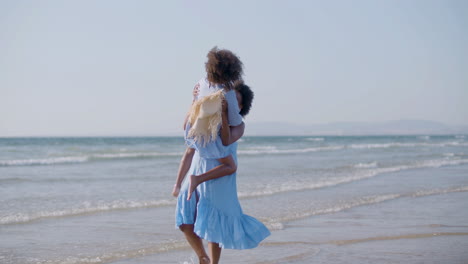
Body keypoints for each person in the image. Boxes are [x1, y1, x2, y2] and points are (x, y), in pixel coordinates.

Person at [173, 48, 270, 264]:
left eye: (237, 100)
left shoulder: (239, 125)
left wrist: (225, 113)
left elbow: (226, 141)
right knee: (185, 222)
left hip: (218, 173)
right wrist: (193, 99)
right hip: (200, 164)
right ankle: (202, 257)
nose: (231, 99)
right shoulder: (210, 95)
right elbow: (189, 143)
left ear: (242, 106)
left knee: (212, 223)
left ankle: (213, 263)